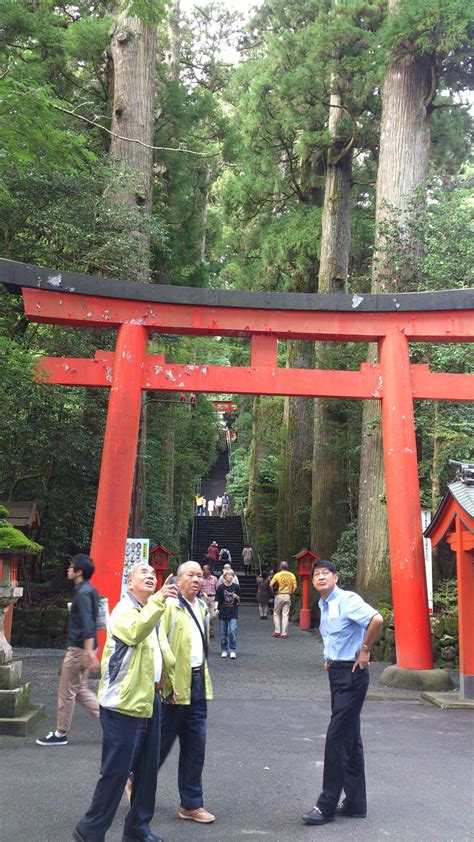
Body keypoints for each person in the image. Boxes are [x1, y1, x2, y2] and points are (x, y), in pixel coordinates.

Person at [73, 564, 178, 842]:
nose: (150, 576)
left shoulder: (152, 612)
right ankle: (90, 830)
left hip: (150, 699)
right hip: (123, 704)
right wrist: (159, 601)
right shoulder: (123, 610)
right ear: (129, 583)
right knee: (116, 772)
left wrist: (169, 683)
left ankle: (137, 829)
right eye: (142, 572)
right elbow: (134, 633)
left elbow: (160, 651)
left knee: (146, 773)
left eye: (153, 574)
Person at [302, 559, 383, 827]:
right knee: (350, 738)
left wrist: (365, 649)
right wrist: (329, 657)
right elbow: (334, 636)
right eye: (317, 574)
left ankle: (326, 805)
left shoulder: (348, 599)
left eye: (326, 573)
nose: (321, 577)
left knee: (336, 738)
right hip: (337, 673)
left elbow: (376, 619)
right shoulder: (323, 605)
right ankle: (356, 803)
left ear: (336, 578)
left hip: (353, 675)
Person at [158, 561, 215, 824]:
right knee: (162, 740)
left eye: (199, 575)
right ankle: (136, 778)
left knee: (196, 743)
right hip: (172, 682)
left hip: (197, 681)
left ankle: (191, 804)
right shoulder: (168, 606)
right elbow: (158, 642)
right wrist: (161, 678)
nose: (196, 579)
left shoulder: (202, 607)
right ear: (177, 579)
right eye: (190, 575)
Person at [36, 554, 100, 746]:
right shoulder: (90, 590)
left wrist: (88, 652)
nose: (68, 569)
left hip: (78, 650)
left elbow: (88, 622)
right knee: (80, 690)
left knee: (66, 692)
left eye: (71, 566)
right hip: (86, 648)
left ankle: (61, 733)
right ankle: (112, 721)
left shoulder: (82, 593)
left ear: (79, 571)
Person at [214, 568, 240, 659]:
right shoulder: (220, 587)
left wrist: (237, 597)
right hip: (223, 612)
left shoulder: (236, 586)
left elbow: (239, 600)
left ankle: (232, 650)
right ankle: (224, 649)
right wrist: (215, 608)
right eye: (228, 575)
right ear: (224, 576)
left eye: (232, 575)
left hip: (233, 612)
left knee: (232, 631)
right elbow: (217, 599)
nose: (230, 576)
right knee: (223, 634)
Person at [270, 561, 297, 639]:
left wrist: (273, 593)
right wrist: (291, 593)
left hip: (279, 595)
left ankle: (277, 631)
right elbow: (295, 586)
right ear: (287, 567)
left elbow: (271, 584)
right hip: (287, 596)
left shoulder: (277, 575)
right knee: (285, 615)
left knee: (276, 613)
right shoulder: (292, 575)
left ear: (280, 567)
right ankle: (284, 633)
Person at [200, 563, 218, 638]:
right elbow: (197, 590)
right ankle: (205, 630)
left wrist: (218, 600)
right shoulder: (200, 578)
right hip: (203, 598)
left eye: (205, 569)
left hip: (212, 598)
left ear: (209, 570)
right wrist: (201, 594)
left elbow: (218, 589)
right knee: (203, 614)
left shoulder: (214, 578)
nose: (204, 571)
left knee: (213, 615)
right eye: (203, 569)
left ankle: (210, 628)